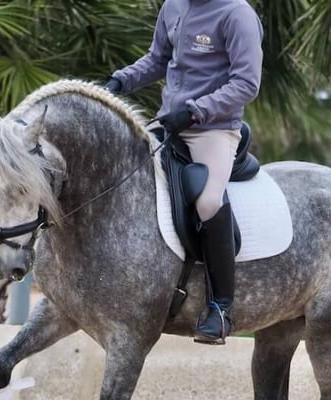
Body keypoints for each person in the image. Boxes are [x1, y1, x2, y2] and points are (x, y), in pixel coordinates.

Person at [105, 0, 264, 345]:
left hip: (214, 130)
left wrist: (195, 112)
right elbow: (157, 60)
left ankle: (220, 308)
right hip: (170, 123)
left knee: (208, 203)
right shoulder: (173, 6)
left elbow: (246, 83)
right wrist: (120, 82)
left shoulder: (237, 14)